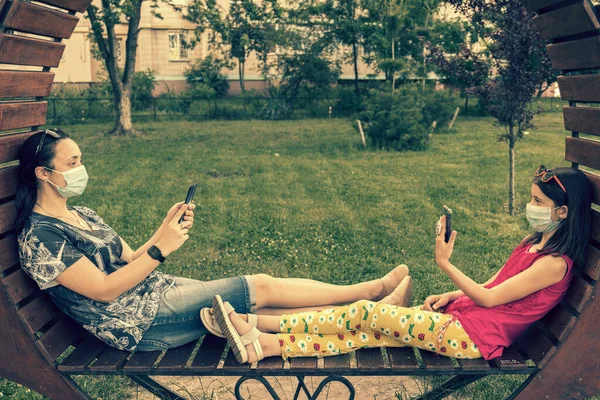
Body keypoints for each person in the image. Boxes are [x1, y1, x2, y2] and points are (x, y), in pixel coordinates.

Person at [15, 128, 412, 352]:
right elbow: (102, 291)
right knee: (258, 287)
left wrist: (164, 227)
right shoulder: (41, 238)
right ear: (43, 174)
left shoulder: (78, 213)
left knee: (262, 302)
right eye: (72, 164)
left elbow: (129, 257)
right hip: (138, 322)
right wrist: (160, 249)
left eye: (80, 159)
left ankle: (369, 309)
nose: (81, 169)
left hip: (150, 294)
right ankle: (371, 297)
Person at [211, 165, 593, 363]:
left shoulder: (555, 265)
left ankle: (257, 324)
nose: (531, 208)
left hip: (468, 337)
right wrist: (449, 293)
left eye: (538, 203)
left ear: (562, 211)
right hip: (461, 323)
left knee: (364, 314)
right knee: (360, 334)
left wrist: (445, 263)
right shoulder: (533, 244)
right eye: (531, 199)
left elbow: (491, 302)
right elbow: (492, 287)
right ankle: (266, 347)